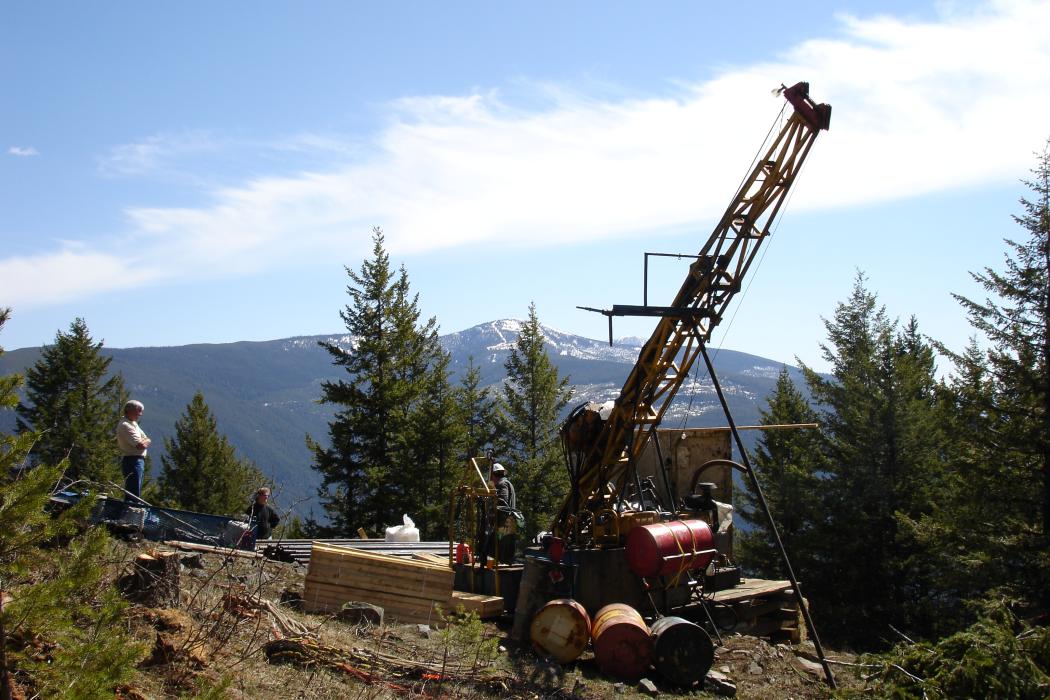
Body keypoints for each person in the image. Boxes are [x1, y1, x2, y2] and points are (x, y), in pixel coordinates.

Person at [116, 400, 151, 503]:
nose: (140, 414)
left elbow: (146, 439)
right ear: (130, 410)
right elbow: (141, 445)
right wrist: (146, 440)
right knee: (133, 493)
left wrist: (146, 440)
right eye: (139, 411)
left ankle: (130, 513)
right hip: (133, 461)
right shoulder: (125, 425)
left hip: (135, 461)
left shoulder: (132, 423)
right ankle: (130, 515)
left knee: (134, 490)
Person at [491, 463, 518, 564]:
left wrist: (492, 502)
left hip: (504, 523)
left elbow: (503, 501)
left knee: (501, 549)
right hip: (509, 522)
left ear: (494, 475)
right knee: (506, 550)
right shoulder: (508, 483)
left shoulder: (502, 484)